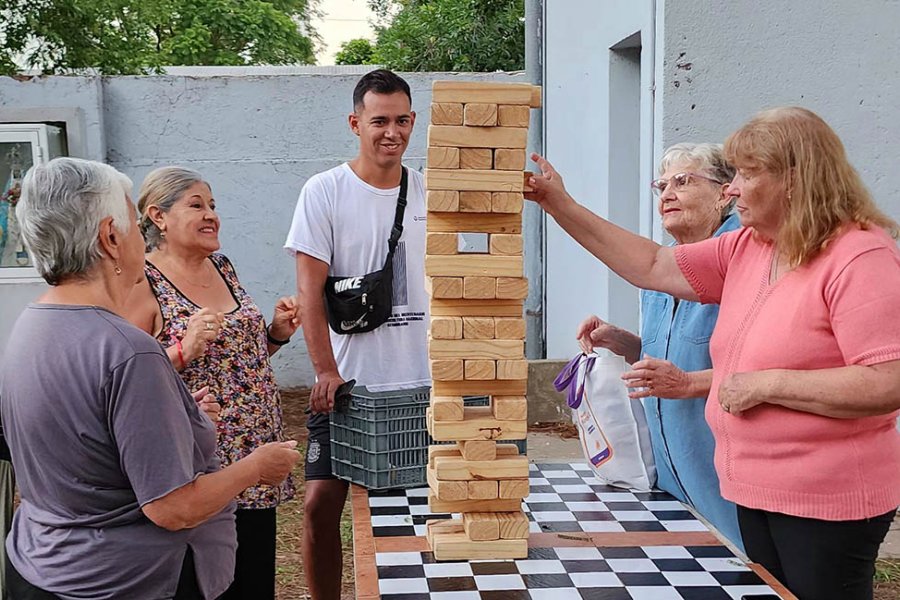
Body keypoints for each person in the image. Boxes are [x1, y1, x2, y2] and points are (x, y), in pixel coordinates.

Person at [527, 107, 900, 600]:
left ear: (794, 178)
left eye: (747, 174)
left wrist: (766, 383)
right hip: (752, 492)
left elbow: (887, 381)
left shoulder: (860, 256)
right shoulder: (752, 247)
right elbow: (652, 264)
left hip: (825, 500)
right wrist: (558, 204)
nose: (733, 189)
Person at [0, 157, 300, 600]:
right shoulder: (128, 350)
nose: (143, 239)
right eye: (135, 227)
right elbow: (173, 507)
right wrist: (256, 466)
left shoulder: (30, 325)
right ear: (111, 237)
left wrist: (182, 417)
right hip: (131, 579)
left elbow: (84, 437)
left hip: (47, 568)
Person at [284, 69, 430, 600]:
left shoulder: (430, 190)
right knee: (319, 504)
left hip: (422, 381)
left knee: (418, 509)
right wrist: (325, 370)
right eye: (379, 121)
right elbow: (309, 291)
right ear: (355, 123)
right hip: (350, 384)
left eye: (402, 120)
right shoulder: (324, 191)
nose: (392, 132)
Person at [124, 166, 301, 600]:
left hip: (255, 453)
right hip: (201, 463)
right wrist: (182, 349)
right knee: (211, 582)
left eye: (213, 205)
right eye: (196, 205)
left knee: (255, 577)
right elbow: (127, 377)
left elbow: (237, 362)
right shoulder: (143, 281)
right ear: (158, 216)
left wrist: (275, 333)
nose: (211, 215)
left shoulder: (222, 266)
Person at [575, 143, 743, 548]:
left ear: (724, 193)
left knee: (744, 572)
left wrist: (687, 383)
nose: (667, 194)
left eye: (683, 182)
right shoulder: (660, 268)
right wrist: (625, 344)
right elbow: (670, 355)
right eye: (662, 185)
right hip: (671, 475)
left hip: (726, 479)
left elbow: (764, 369)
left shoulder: (744, 259)